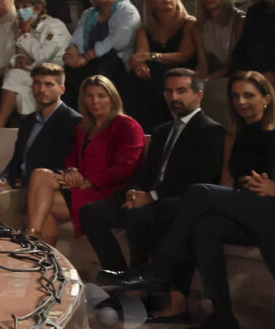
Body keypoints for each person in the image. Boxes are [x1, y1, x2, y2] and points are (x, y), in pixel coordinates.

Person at [100, 70, 275, 329]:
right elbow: (227, 186)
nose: (241, 101)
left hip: (269, 208)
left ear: (266, 98)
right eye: (235, 95)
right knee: (205, 225)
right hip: (243, 209)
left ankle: (159, 268)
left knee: (198, 192)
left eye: (248, 95)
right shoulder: (234, 136)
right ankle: (223, 317)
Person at [79, 67, 226, 277]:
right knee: (91, 212)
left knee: (139, 215)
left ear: (198, 95)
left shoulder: (210, 130)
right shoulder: (162, 130)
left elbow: (199, 180)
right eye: (169, 91)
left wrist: (152, 197)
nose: (174, 97)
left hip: (179, 202)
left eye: (181, 91)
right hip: (149, 198)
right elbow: (147, 172)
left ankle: (139, 281)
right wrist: (135, 191)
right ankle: (120, 272)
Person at [24, 75, 143, 247]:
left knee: (40, 205)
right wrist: (71, 170)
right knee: (40, 175)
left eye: (101, 95)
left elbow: (125, 168)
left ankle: (34, 246)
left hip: (106, 192)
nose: (95, 101)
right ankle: (34, 239)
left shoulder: (126, 125)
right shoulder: (85, 126)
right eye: (90, 96)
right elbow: (72, 157)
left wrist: (90, 182)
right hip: (80, 187)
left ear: (112, 98)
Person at [0, 63, 82, 231]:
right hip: (16, 184)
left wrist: (14, 185)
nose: (41, 89)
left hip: (40, 188)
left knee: (5, 198)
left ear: (62, 89)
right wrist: (2, 179)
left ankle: (17, 250)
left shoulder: (72, 121)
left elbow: (56, 166)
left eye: (48, 84)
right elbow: (16, 162)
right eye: (37, 83)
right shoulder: (28, 122)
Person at [128, 0, 200, 129]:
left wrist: (152, 56)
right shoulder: (145, 29)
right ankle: (139, 129)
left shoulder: (189, 23)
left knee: (160, 79)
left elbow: (185, 55)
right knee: (133, 78)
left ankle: (162, 128)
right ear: (150, 4)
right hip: (155, 73)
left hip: (182, 68)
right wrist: (138, 65)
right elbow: (140, 56)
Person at [66, 0, 141, 89]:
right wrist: (72, 53)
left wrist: (86, 57)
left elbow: (119, 41)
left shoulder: (127, 11)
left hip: (116, 63)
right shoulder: (89, 13)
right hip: (90, 62)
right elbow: (77, 37)